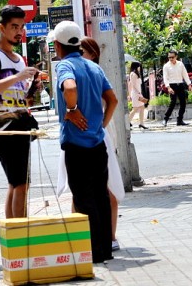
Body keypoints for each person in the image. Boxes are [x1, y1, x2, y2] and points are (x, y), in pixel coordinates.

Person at [50, 21, 118, 263]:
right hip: (97, 143)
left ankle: (91, 252)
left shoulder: (65, 65)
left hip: (76, 144)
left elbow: (69, 87)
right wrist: (101, 124)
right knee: (100, 195)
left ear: (58, 45)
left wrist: (72, 109)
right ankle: (104, 249)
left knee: (83, 197)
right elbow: (113, 100)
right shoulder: (93, 67)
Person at [0, 5, 39, 219]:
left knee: (18, 183)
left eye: (21, 27)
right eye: (14, 26)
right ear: (1, 27)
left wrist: (31, 90)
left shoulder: (19, 59)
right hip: (2, 128)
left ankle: (15, 238)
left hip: (21, 126)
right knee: (20, 183)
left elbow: (20, 98)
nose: (19, 32)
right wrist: (17, 77)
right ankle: (21, 235)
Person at [80, 36, 122, 251]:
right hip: (90, 134)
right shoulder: (82, 72)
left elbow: (112, 101)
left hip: (99, 135)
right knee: (83, 188)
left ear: (93, 54)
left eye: (82, 52)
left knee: (105, 187)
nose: (78, 56)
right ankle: (89, 237)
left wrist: (102, 125)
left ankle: (111, 236)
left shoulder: (95, 73)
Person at [162, 49, 192, 126]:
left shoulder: (180, 64)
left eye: (172, 57)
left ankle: (180, 120)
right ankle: (165, 119)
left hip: (180, 84)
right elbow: (165, 78)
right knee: (172, 103)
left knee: (183, 103)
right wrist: (168, 87)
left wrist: (189, 84)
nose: (171, 59)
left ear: (176, 56)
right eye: (169, 57)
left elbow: (185, 74)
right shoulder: (166, 66)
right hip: (172, 85)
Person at [127, 61, 148, 129]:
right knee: (135, 108)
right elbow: (132, 84)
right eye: (139, 66)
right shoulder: (133, 74)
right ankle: (128, 122)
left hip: (138, 93)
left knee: (142, 107)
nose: (139, 68)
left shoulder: (136, 74)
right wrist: (138, 93)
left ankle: (141, 123)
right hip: (136, 93)